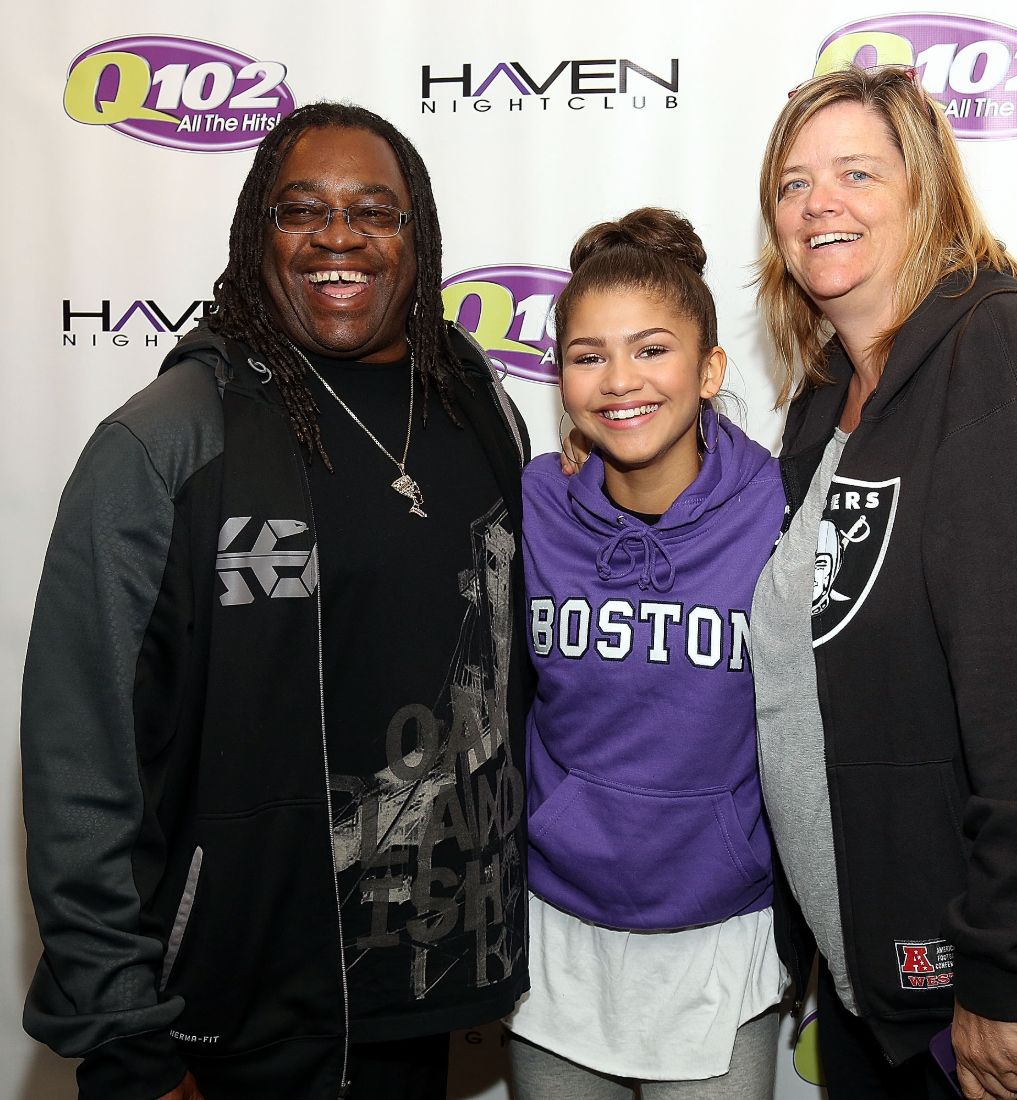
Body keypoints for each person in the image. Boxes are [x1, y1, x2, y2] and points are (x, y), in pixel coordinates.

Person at [21, 102, 530, 1100]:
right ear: (260, 234)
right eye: (303, 209)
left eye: (374, 211)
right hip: (225, 1026)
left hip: (423, 995)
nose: (339, 235)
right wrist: (125, 1036)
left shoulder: (479, 406)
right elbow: (82, 763)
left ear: (414, 238)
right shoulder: (168, 444)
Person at [750, 66, 1017, 1100]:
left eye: (856, 171)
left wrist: (996, 969)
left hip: (1004, 990)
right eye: (793, 184)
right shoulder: (824, 402)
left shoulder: (1002, 356)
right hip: (875, 982)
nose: (820, 204)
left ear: (926, 188)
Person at [507, 208, 791, 1099]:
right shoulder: (534, 505)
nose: (619, 381)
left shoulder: (778, 510)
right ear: (560, 380)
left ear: (710, 371)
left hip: (719, 931)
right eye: (589, 356)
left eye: (652, 350)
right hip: (554, 930)